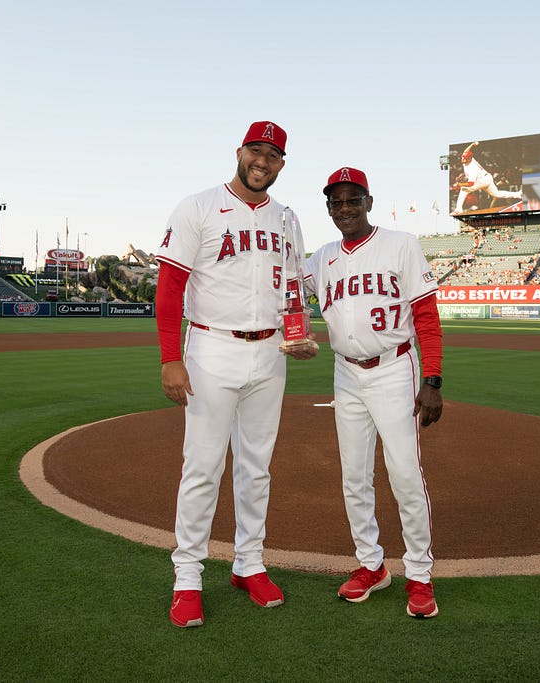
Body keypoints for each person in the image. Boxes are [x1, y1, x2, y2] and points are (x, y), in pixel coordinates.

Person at [155, 121, 316, 628]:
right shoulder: (198, 207)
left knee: (257, 467)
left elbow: (292, 286)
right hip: (211, 347)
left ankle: (249, 564)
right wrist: (169, 356)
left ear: (282, 164)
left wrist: (297, 333)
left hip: (269, 353)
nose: (262, 161)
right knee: (202, 467)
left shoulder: (287, 219)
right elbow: (169, 287)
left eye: (273, 154)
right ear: (240, 151)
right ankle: (187, 578)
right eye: (256, 150)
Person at [303, 166, 444, 619]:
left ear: (368, 201)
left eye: (352, 200)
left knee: (404, 472)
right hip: (346, 373)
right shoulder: (320, 257)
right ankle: (372, 565)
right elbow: (284, 289)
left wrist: (433, 380)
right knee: (353, 476)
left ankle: (419, 575)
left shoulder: (401, 244)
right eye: (336, 202)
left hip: (393, 369)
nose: (344, 209)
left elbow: (426, 316)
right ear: (328, 209)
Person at [453, 142, 523, 215]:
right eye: (463, 157)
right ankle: (518, 194)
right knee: (496, 194)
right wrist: (472, 144)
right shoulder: (469, 158)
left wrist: (460, 184)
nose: (462, 159)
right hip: (487, 178)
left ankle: (458, 209)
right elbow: (466, 151)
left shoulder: (472, 169)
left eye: (464, 158)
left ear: (469, 159)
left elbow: (471, 183)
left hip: (482, 181)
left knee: (464, 189)